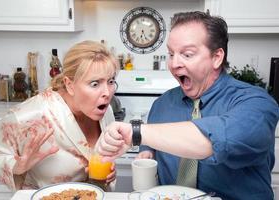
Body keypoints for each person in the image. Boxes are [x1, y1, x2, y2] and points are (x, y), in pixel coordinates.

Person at [95, 11, 279, 200]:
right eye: (171, 54)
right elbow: (151, 144)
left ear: (217, 57)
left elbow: (219, 140)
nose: (174, 63)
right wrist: (146, 152)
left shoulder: (256, 103)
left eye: (187, 54)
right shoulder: (162, 105)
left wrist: (135, 133)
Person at [0, 40, 119, 191]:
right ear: (70, 85)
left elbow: (100, 162)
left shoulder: (106, 111)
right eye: (95, 84)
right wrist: (16, 167)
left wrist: (105, 176)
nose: (107, 93)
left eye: (111, 81)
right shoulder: (31, 115)